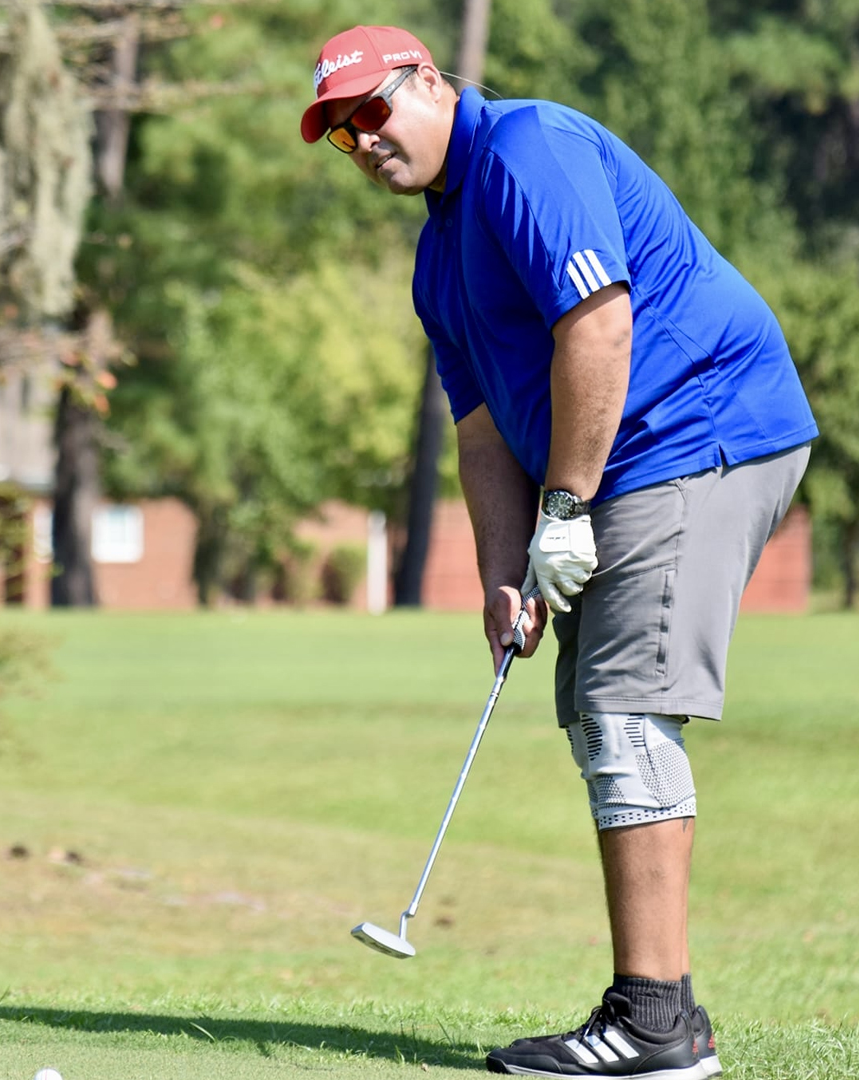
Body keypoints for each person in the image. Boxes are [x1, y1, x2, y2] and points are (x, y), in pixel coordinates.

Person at [301, 24, 818, 1080]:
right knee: (594, 712)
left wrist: (568, 507)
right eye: (342, 135)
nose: (364, 144)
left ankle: (658, 1028)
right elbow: (484, 426)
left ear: (430, 81)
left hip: (699, 431)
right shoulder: (438, 254)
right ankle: (657, 1013)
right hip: (623, 464)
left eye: (373, 113)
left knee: (626, 710)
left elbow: (600, 323)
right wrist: (504, 569)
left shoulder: (526, 150)